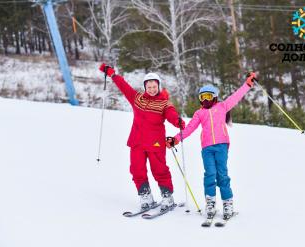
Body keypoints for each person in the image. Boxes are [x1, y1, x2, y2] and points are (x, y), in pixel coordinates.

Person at [166, 72, 256, 219]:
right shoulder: (199, 113)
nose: (205, 100)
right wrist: (175, 139)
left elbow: (236, 96)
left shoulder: (222, 106)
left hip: (221, 147)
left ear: (214, 97)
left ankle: (227, 203)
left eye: (208, 96)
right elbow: (188, 129)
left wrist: (247, 84)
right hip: (207, 149)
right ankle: (210, 203)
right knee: (210, 174)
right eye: (202, 97)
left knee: (222, 175)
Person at [99, 63, 185, 211]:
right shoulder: (137, 99)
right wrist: (112, 74)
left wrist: (178, 121)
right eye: (149, 86)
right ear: (145, 87)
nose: (152, 89)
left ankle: (167, 197)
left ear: (158, 86)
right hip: (137, 142)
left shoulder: (164, 103)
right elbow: (123, 86)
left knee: (159, 169)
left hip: (155, 143)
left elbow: (171, 114)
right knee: (136, 169)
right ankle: (145, 196)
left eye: (154, 86)